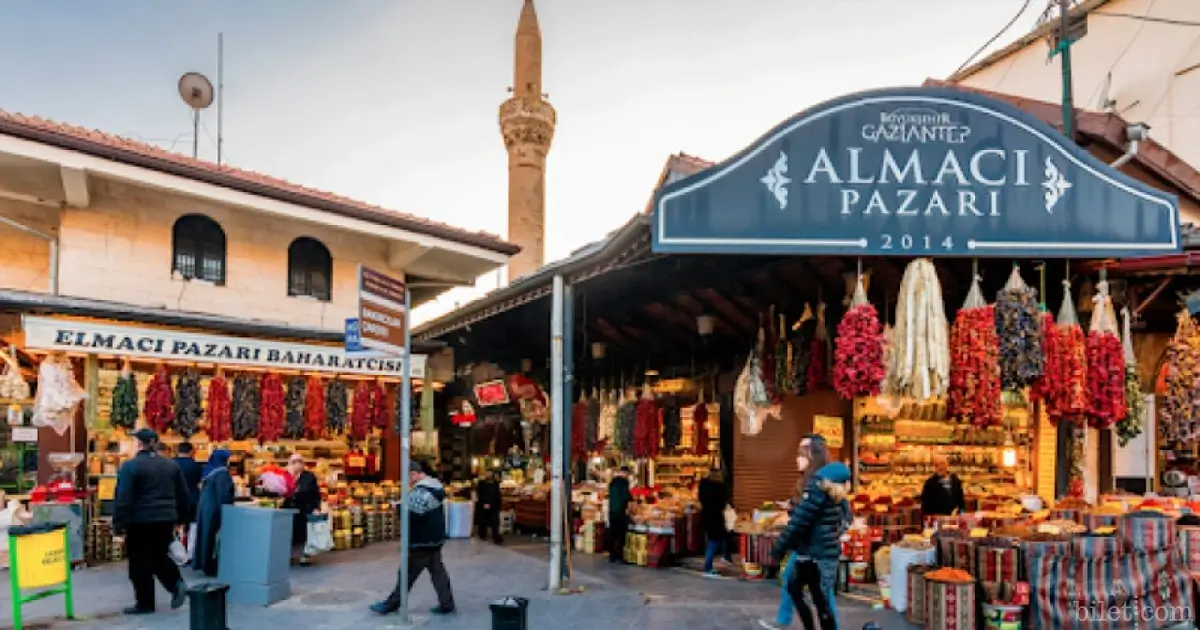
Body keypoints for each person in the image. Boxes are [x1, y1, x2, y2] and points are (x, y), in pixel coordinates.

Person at [112, 429, 189, 616]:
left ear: (139, 444)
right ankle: (175, 583)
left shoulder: (131, 467)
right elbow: (183, 494)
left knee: (139, 563)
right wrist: (180, 519)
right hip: (165, 519)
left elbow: (124, 498)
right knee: (159, 556)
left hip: (140, 521)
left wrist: (119, 525)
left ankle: (145, 603)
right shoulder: (171, 466)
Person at [760, 434, 833, 630]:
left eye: (801, 454)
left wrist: (779, 547)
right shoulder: (811, 482)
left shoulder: (817, 484)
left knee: (822, 590)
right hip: (809, 544)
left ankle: (826, 625)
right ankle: (784, 619)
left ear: (812, 456)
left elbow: (804, 518)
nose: (796, 458)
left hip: (815, 545)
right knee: (794, 581)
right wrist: (793, 506)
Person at [770, 457, 853, 630]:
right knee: (805, 592)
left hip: (812, 554)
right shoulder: (838, 498)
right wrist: (833, 535)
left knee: (814, 598)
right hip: (825, 554)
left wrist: (779, 549)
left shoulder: (815, 491)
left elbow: (797, 523)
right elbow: (845, 520)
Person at [370, 460, 456, 616]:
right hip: (435, 539)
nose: (407, 480)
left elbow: (412, 514)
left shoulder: (422, 490)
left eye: (408, 476)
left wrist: (397, 507)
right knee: (438, 572)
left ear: (415, 474)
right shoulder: (434, 487)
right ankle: (447, 604)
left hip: (422, 541)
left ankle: (392, 603)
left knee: (406, 573)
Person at [192, 449, 235, 577]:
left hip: (205, 507)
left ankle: (203, 562)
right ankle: (210, 565)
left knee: (205, 535)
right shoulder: (222, 472)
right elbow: (224, 493)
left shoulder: (209, 470)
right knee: (212, 537)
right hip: (214, 509)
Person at [283, 453, 322, 566]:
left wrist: (316, 507)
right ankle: (289, 555)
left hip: (305, 509)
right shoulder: (285, 476)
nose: (297, 464)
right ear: (289, 464)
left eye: (299, 462)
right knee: (290, 533)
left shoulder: (309, 476)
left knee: (305, 533)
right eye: (294, 462)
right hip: (289, 509)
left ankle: (304, 556)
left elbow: (316, 494)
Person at [698, 469, 732, 576]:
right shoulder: (719, 488)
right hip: (715, 517)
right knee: (715, 541)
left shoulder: (703, 486)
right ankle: (708, 567)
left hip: (706, 516)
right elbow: (721, 504)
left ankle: (726, 557)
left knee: (714, 539)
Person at [172, 442, 203, 527]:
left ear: (178, 451)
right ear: (191, 451)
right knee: (191, 526)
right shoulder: (196, 466)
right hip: (192, 499)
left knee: (175, 527)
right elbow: (200, 482)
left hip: (174, 500)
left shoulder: (170, 464)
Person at [607, 466, 632, 564]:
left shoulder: (612, 482)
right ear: (625, 473)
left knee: (612, 533)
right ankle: (620, 555)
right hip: (620, 511)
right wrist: (632, 500)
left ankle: (612, 555)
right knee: (621, 534)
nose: (628, 476)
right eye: (628, 474)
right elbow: (626, 496)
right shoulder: (624, 482)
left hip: (612, 510)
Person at [474, 469, 503, 544]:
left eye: (490, 473)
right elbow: (480, 494)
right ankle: (482, 535)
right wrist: (484, 503)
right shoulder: (481, 483)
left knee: (495, 521)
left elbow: (498, 494)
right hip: (485, 504)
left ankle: (496, 536)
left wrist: (499, 505)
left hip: (494, 504)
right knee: (483, 519)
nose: (489, 475)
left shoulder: (496, 483)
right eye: (487, 473)